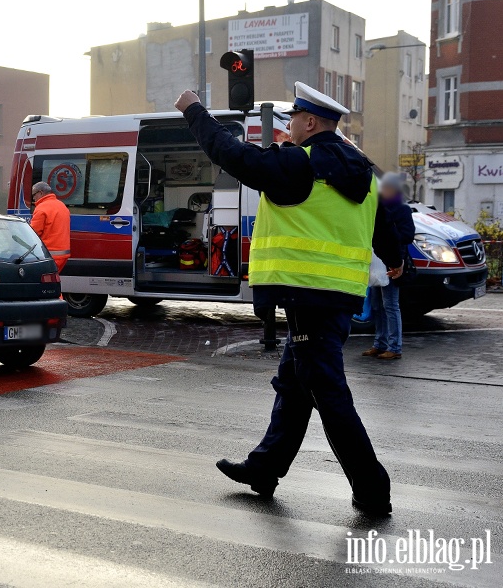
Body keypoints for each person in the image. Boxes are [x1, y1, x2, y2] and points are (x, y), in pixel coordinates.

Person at [174, 82, 403, 516]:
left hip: (306, 296)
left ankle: (373, 490)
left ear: (310, 122)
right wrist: (395, 260)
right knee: (296, 387)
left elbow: (232, 154)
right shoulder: (365, 172)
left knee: (329, 395)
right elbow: (384, 223)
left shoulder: (302, 164)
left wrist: (194, 111)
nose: (288, 126)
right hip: (337, 298)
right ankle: (264, 469)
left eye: (293, 118)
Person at [363, 173, 416, 361]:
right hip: (379, 261)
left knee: (390, 305)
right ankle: (380, 343)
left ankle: (394, 346)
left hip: (393, 261)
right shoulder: (380, 206)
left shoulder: (401, 209)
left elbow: (407, 235)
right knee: (378, 305)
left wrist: (390, 241)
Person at [29, 182, 71, 272]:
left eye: (34, 195)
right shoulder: (61, 205)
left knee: (42, 281)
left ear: (40, 193)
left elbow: (34, 233)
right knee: (52, 279)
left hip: (49, 254)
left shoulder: (41, 208)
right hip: (63, 254)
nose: (33, 198)